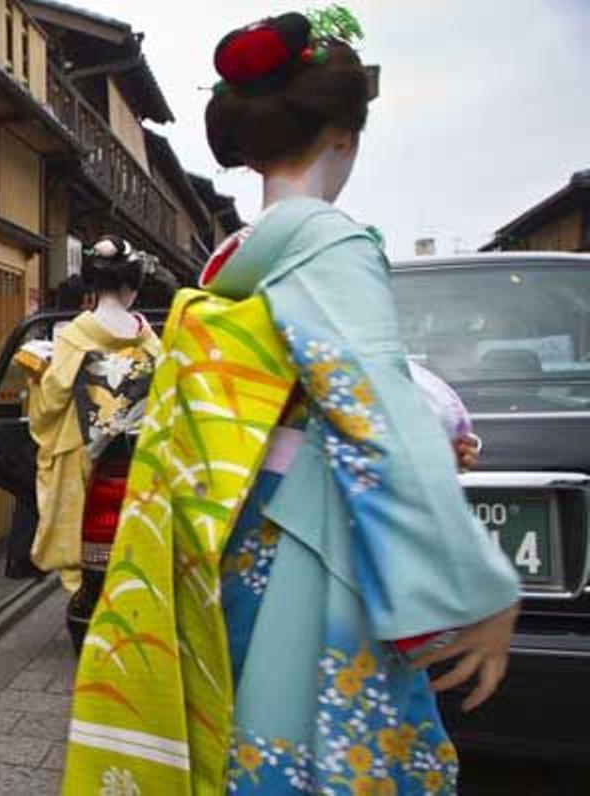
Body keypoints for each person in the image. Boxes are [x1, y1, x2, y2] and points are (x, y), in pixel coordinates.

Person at [63, 10, 519, 794]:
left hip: (245, 533)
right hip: (311, 543)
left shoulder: (236, 260)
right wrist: (480, 588)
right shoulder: (332, 244)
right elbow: (377, 414)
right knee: (325, 751)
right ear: (344, 136)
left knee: (257, 726)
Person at [25, 236, 162, 592]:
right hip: (138, 455)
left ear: (92, 284)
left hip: (83, 452)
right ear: (132, 284)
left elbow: (52, 402)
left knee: (79, 536)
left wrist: (37, 381)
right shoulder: (149, 339)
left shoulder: (74, 335)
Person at [5, 274, 96, 579]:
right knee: (70, 499)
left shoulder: (41, 331)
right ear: (86, 301)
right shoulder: (85, 337)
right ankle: (68, 558)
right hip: (74, 427)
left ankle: (25, 558)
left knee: (35, 493)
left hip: (41, 420)